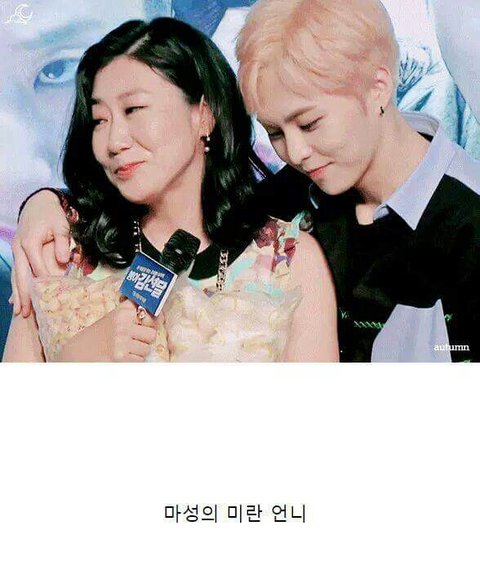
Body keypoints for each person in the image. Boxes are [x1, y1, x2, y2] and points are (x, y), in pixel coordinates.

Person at [12, 0, 480, 362]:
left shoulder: (465, 225)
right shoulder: (297, 192)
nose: (295, 152)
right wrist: (43, 204)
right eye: (275, 132)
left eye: (310, 123)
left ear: (379, 87)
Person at [3, 17, 338, 362]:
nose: (114, 141)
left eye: (134, 109)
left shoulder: (286, 261)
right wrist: (77, 359)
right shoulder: (60, 253)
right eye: (100, 119)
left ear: (204, 115)